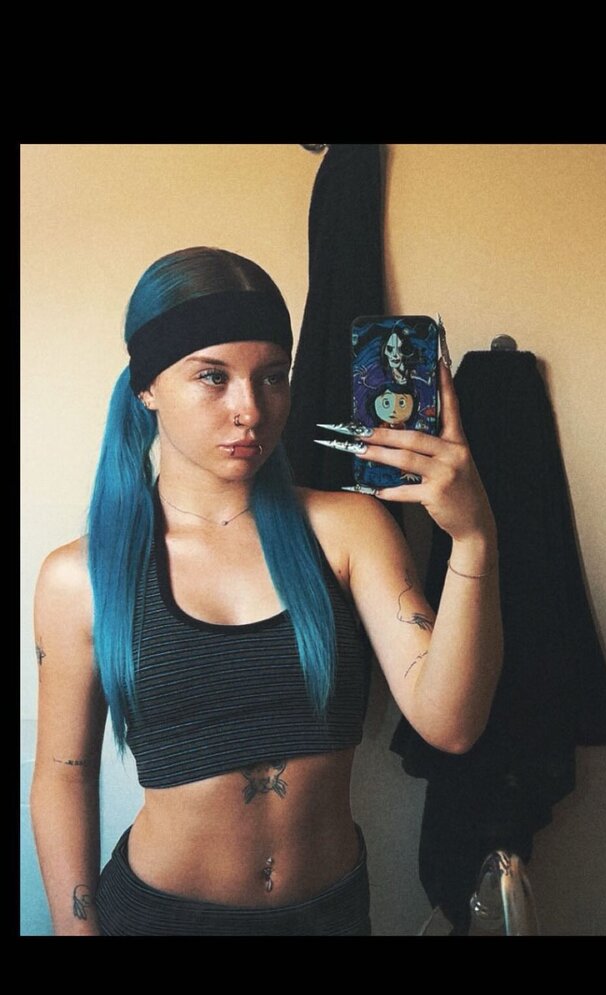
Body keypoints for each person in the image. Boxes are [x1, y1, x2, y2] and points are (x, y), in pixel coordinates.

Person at [30, 246, 503, 936]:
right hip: (158, 920)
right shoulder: (82, 576)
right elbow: (64, 774)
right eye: (212, 377)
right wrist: (76, 930)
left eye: (272, 377)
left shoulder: (347, 530)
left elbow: (451, 724)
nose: (250, 409)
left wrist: (473, 537)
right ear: (147, 386)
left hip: (330, 917)